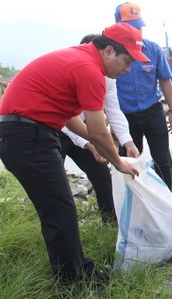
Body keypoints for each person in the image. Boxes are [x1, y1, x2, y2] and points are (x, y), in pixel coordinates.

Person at [0, 23, 145, 285]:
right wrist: (118, 162)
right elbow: (100, 129)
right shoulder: (89, 70)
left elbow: (69, 117)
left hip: (27, 133)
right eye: (126, 62)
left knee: (59, 207)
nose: (127, 70)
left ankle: (78, 270)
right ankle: (74, 280)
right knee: (59, 209)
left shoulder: (79, 58)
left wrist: (93, 144)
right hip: (27, 136)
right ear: (109, 51)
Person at [58, 34, 141, 222]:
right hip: (59, 130)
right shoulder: (82, 70)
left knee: (102, 174)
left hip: (85, 128)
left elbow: (114, 110)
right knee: (57, 184)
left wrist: (128, 142)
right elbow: (67, 121)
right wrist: (90, 144)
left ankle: (110, 220)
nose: (127, 69)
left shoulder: (107, 78)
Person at [114, 2, 172, 189]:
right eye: (131, 27)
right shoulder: (112, 55)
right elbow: (105, 91)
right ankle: (137, 200)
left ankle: (167, 198)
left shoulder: (153, 49)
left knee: (162, 159)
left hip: (152, 111)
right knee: (129, 160)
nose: (136, 32)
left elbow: (165, 80)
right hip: (125, 117)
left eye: (139, 27)